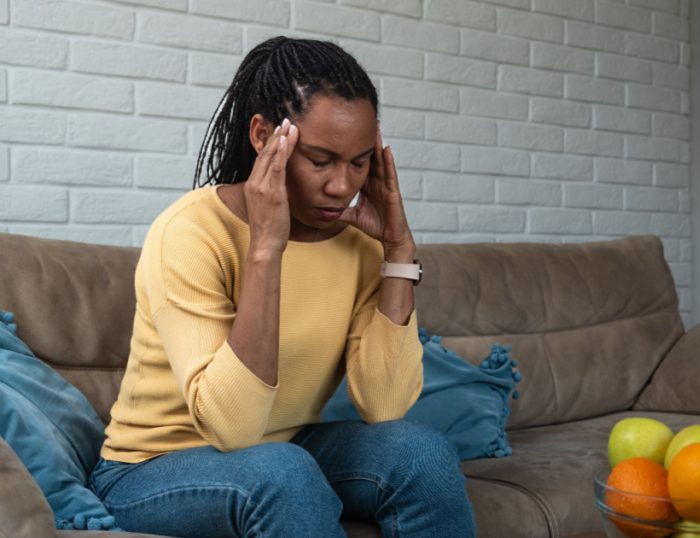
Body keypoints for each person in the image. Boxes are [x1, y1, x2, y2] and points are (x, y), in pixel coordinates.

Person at [88, 36, 476, 537]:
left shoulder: (361, 247)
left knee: (421, 452)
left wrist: (399, 253)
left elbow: (385, 406)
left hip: (287, 449)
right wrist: (267, 249)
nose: (342, 185)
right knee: (283, 474)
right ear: (264, 136)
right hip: (151, 471)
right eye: (320, 160)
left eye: (359, 162)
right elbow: (233, 427)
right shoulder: (190, 232)